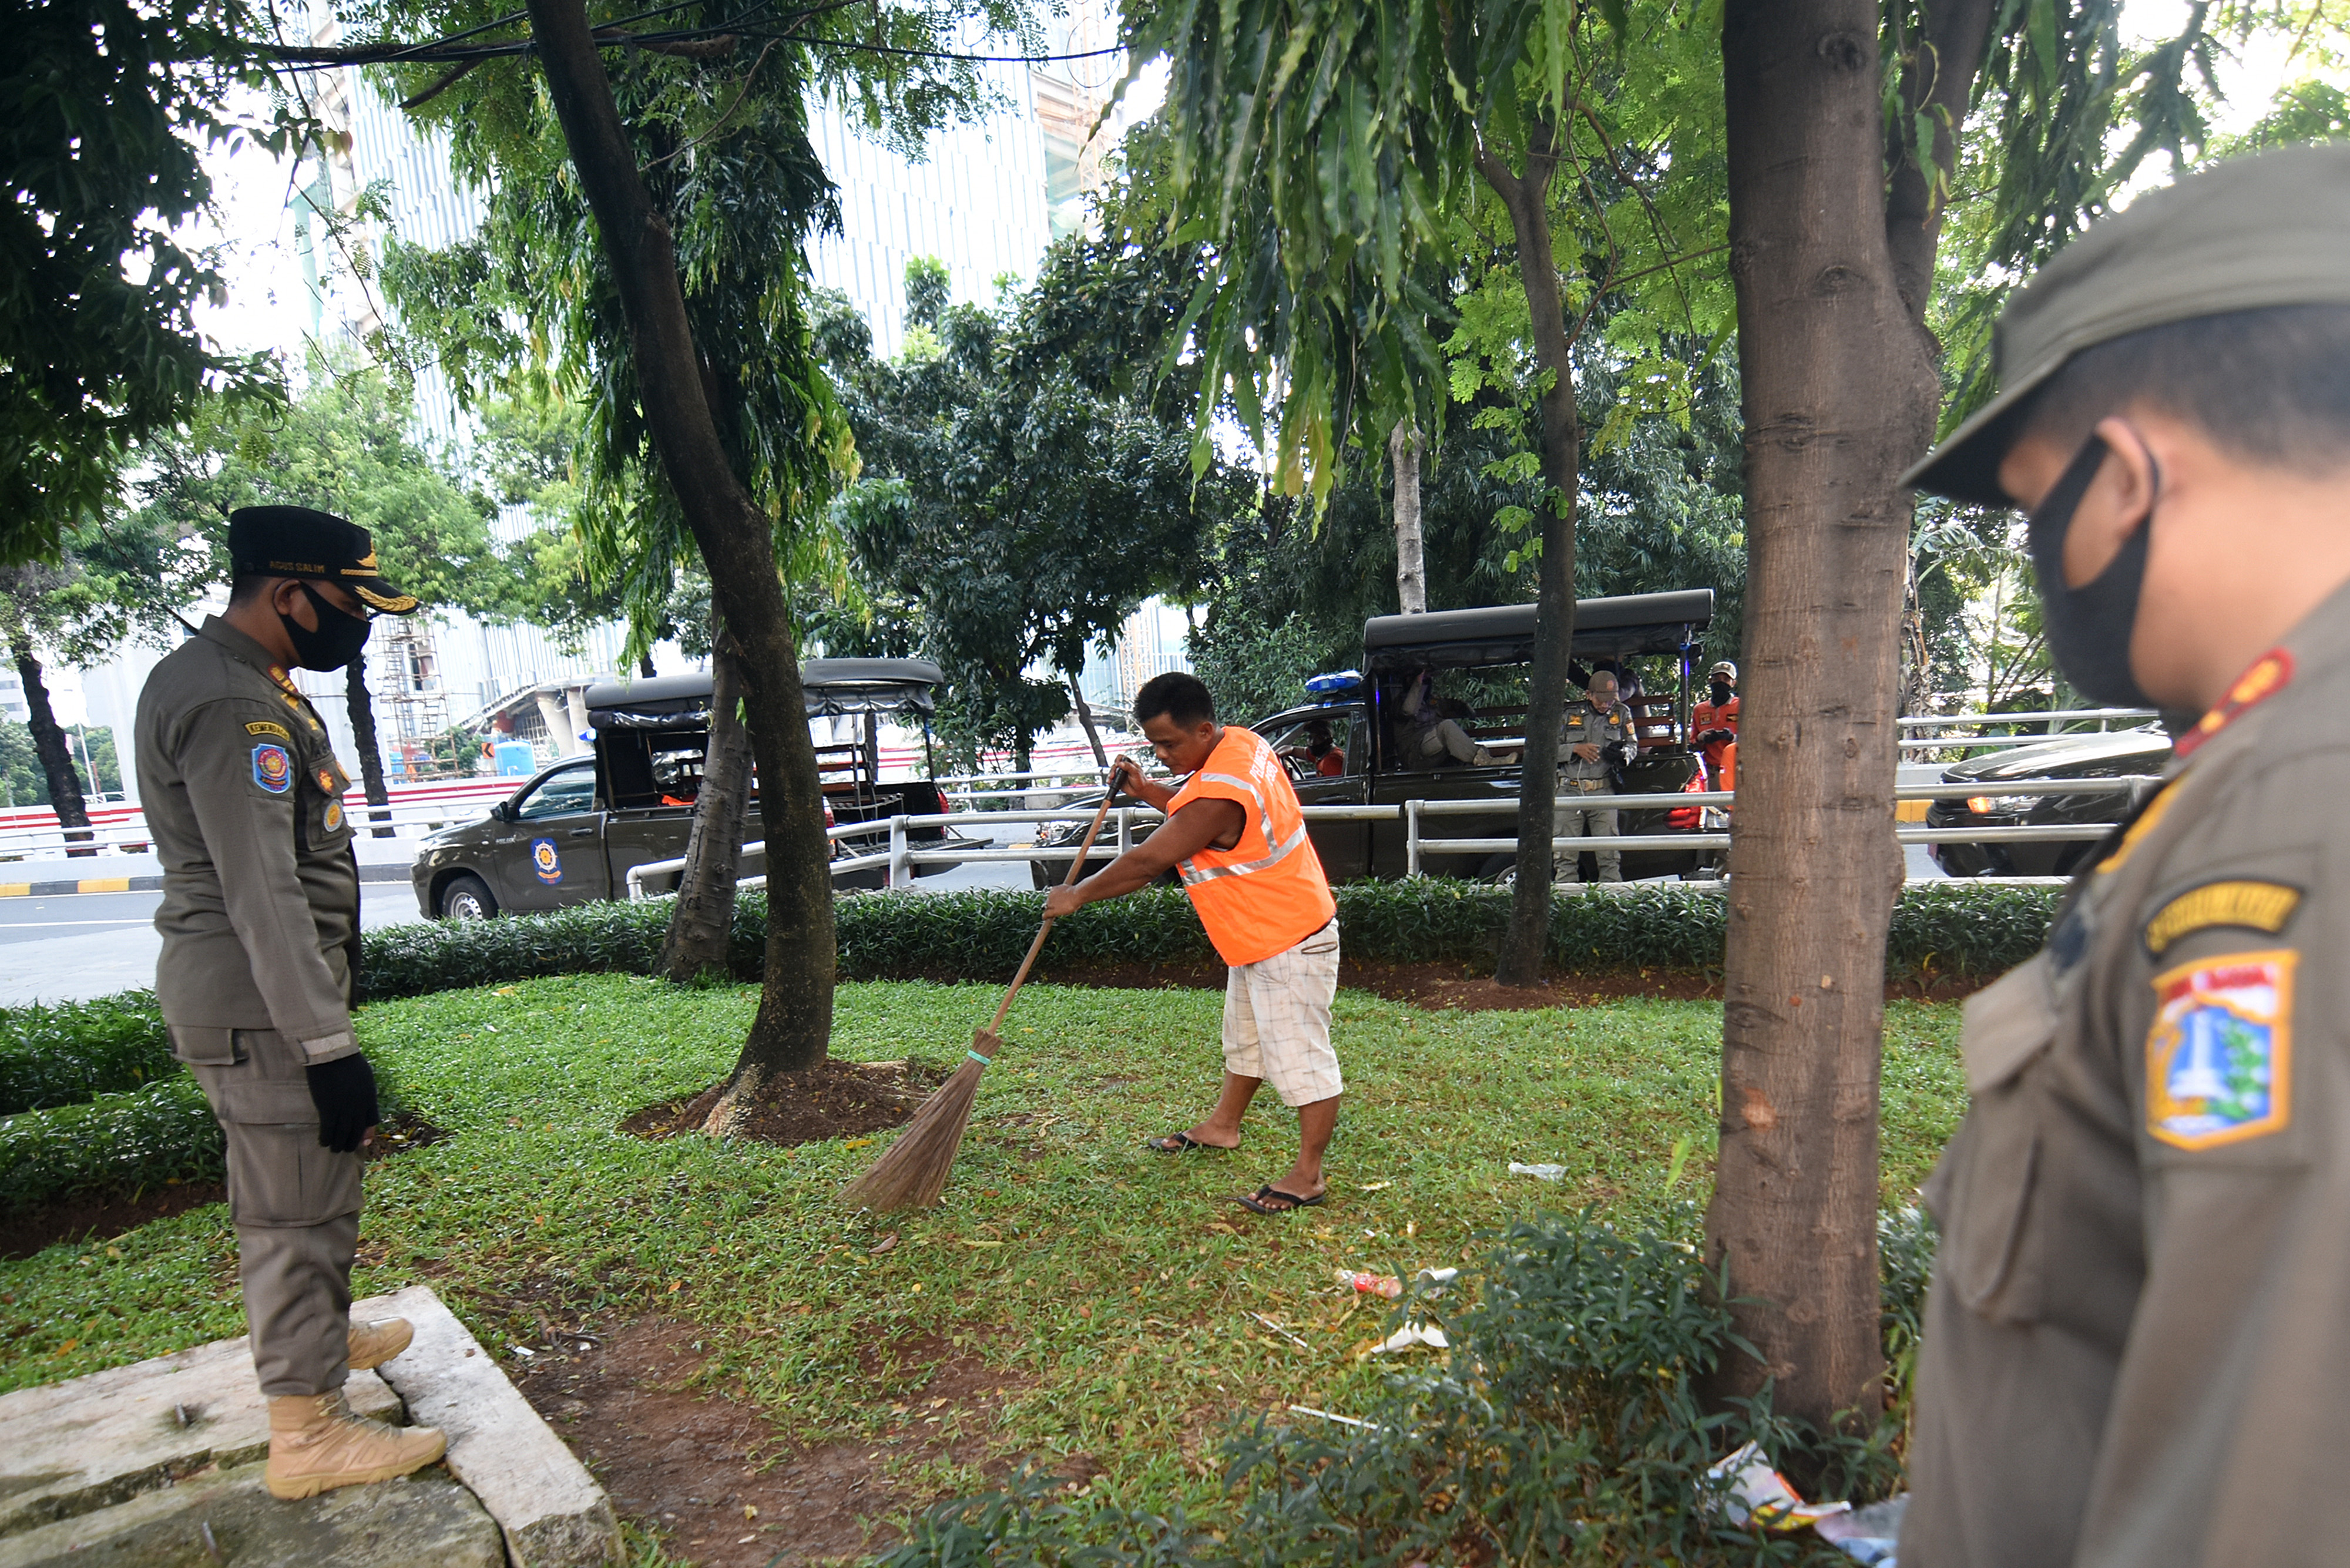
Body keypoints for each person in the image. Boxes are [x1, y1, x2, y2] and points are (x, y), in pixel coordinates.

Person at [1896, 145, 2350, 1567]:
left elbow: (2265, 1488)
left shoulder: (2298, 814)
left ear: (2133, 476)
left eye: (2039, 506)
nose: (2040, 551)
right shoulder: (2259, 757)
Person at [136, 506, 446, 1501]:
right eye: (347, 604)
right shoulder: (236, 708)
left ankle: (321, 1335)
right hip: (259, 1004)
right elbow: (262, 889)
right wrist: (325, 1041)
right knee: (291, 1212)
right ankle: (308, 1429)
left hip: (252, 998)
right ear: (287, 594)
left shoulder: (240, 683)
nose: (355, 625)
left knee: (307, 1186)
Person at [1042, 671, 1342, 1214]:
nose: (1160, 755)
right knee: (1245, 1041)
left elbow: (1149, 861)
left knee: (1302, 1061)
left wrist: (1076, 895)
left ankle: (1308, 1175)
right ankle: (1223, 1126)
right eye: (1154, 744)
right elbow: (1195, 809)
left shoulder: (1219, 793)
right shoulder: (1242, 744)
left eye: (1170, 744)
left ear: (1204, 729)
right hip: (1260, 934)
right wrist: (1151, 792)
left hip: (1290, 939)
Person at [1556, 667, 1637, 884]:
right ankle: (1566, 906)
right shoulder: (1570, 715)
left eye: (1610, 700)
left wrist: (1622, 755)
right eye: (1601, 699)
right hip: (1570, 789)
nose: (1606, 704)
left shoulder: (1621, 713)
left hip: (1603, 789)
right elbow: (1548, 749)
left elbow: (1633, 746)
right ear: (1589, 695)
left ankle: (1610, 909)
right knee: (1565, 857)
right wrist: (1574, 749)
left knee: (1609, 856)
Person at [1399, 668, 1495, 767]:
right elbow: (1409, 710)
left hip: (1434, 750)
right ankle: (1486, 763)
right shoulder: (1400, 703)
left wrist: (1462, 706)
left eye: (1428, 678)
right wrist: (1418, 682)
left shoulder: (1430, 702)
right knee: (1446, 727)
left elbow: (1448, 704)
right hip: (1415, 753)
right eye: (1424, 678)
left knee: (1480, 749)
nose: (1427, 681)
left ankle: (1484, 764)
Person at [1691, 660, 1738, 788]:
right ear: (1710, 681)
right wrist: (1702, 738)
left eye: (1726, 679)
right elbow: (1693, 744)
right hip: (1711, 771)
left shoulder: (1741, 706)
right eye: (1717, 678)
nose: (1721, 683)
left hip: (1735, 770)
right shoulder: (1699, 709)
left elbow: (1752, 739)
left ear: (1733, 683)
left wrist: (1731, 737)